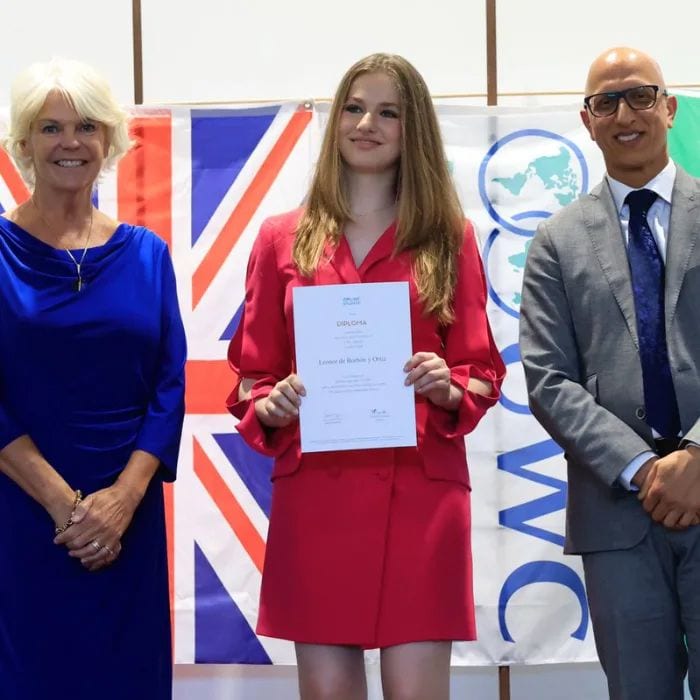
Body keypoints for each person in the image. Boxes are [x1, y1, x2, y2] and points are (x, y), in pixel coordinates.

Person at [227, 53, 504, 699]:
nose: (365, 124)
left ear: (415, 131)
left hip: (421, 491)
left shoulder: (448, 236)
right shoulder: (279, 239)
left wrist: (448, 382)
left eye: (388, 112)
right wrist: (273, 402)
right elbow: (252, 372)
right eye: (353, 108)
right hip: (318, 490)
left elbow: (482, 368)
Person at [0, 58, 186, 699]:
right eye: (50, 128)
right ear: (23, 144)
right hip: (21, 519)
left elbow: (169, 386)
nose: (69, 142)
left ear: (109, 140)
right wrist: (64, 505)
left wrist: (123, 501)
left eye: (85, 126)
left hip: (126, 524)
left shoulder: (147, 254)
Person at [520, 46, 700, 699]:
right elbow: (548, 381)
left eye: (641, 95)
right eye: (606, 102)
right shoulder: (556, 243)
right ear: (587, 120)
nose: (625, 113)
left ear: (669, 107)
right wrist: (648, 470)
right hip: (616, 513)